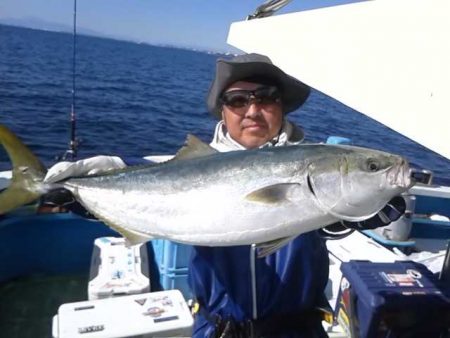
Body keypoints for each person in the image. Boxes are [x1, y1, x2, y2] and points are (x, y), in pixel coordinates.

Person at [43, 53, 405, 338]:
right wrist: (89, 186)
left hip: (299, 330)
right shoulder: (196, 162)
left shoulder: (317, 159)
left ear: (282, 106)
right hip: (215, 329)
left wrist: (357, 210)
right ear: (223, 110)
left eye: (266, 97)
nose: (252, 110)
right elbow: (155, 176)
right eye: (238, 100)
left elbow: (333, 208)